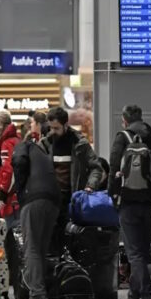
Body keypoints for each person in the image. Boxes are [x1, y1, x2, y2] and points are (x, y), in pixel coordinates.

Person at [108, 105, 151, 299]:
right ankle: (133, 297)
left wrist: (112, 197)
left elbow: (114, 169)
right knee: (140, 252)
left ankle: (148, 298)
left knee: (134, 254)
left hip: (128, 204)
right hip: (148, 204)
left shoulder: (122, 138)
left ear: (124, 120)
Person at [41, 107, 103, 253]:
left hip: (73, 200)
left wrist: (90, 186)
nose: (53, 131)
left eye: (56, 128)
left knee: (72, 241)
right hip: (52, 201)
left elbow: (96, 168)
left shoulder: (79, 143)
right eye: (51, 128)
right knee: (52, 242)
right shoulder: (45, 144)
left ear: (66, 125)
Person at [12, 138, 61, 299]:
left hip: (34, 199)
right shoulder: (42, 154)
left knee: (31, 248)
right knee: (40, 249)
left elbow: (19, 162)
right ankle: (41, 290)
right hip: (54, 201)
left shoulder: (23, 146)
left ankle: (37, 293)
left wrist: (20, 192)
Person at [0, 110, 21, 229]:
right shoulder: (16, 140)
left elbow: (8, 169)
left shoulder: (6, 143)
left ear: (5, 126)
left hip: (11, 198)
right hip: (19, 194)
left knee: (11, 232)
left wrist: (3, 192)